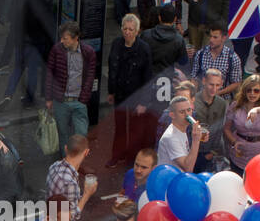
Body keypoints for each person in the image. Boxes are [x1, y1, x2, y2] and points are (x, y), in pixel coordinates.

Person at [106, 14, 153, 167]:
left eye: (131, 29)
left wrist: (144, 102)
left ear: (137, 31)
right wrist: (111, 91)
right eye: (125, 29)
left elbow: (148, 77)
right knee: (119, 126)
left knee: (134, 130)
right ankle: (117, 155)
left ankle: (131, 159)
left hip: (136, 96)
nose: (127, 32)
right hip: (120, 93)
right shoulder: (116, 44)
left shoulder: (144, 49)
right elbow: (112, 68)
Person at [45, 21, 96, 147]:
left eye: (65, 38)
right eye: (61, 38)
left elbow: (90, 76)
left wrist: (84, 98)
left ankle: (77, 162)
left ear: (76, 38)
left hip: (79, 101)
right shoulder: (57, 50)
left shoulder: (88, 52)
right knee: (63, 135)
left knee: (81, 135)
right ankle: (65, 162)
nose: (62, 41)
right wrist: (48, 98)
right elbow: (49, 74)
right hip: (61, 101)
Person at [223, 73, 260, 173]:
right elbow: (226, 128)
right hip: (240, 152)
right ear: (244, 91)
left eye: (256, 91)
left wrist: (256, 110)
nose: (252, 94)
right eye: (249, 90)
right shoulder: (236, 105)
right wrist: (234, 142)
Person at [156, 95, 204, 172]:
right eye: (182, 112)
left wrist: (200, 137)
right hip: (169, 181)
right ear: (172, 115)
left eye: (189, 110)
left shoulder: (182, 129)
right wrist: (196, 140)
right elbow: (188, 168)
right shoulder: (171, 137)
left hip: (177, 179)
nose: (187, 115)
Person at [191, 26, 243, 96]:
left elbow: (236, 83)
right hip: (202, 97)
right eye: (210, 36)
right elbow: (194, 77)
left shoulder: (232, 58)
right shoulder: (201, 54)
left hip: (223, 98)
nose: (211, 40)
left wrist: (218, 93)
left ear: (223, 38)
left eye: (215, 37)